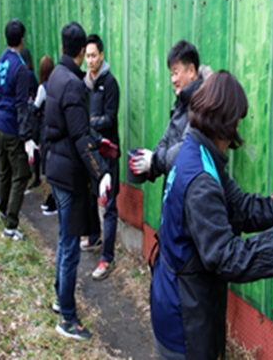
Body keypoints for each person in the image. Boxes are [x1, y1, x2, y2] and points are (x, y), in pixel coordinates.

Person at [150, 70, 273, 359]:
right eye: (237, 120)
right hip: (184, 316)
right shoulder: (200, 178)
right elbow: (225, 255)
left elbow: (238, 206)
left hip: (179, 299)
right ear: (225, 122)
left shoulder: (198, 153)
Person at [44, 21, 111, 340]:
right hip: (68, 173)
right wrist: (101, 171)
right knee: (70, 246)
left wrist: (97, 140)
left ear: (62, 47)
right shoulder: (72, 83)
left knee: (63, 238)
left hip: (55, 168)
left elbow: (76, 128)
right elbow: (79, 135)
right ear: (82, 52)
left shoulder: (55, 76)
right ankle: (68, 319)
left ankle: (60, 298)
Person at [129, 40, 204, 181]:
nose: (173, 80)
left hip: (189, 186)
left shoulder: (202, 104)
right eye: (171, 74)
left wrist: (154, 161)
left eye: (176, 73)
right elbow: (166, 139)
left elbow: (185, 148)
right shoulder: (181, 101)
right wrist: (151, 159)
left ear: (191, 71)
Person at [81, 34, 121, 281]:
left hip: (108, 152)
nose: (90, 60)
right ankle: (94, 237)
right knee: (90, 195)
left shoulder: (110, 83)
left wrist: (90, 124)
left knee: (110, 204)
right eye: (87, 55)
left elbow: (110, 118)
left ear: (102, 56)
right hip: (90, 150)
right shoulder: (83, 83)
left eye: (94, 55)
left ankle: (107, 257)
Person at [0, 19, 35, 241]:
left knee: (4, 170)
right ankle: (11, 224)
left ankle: (2, 208)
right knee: (21, 174)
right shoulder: (20, 67)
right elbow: (21, 104)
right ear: (22, 39)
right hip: (11, 125)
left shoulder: (1, 60)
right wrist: (26, 136)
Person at [32, 55, 57, 216]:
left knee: (48, 169)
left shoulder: (43, 88)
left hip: (45, 130)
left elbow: (35, 106)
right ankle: (51, 200)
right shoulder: (56, 85)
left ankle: (52, 201)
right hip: (56, 129)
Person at [21, 47, 41, 191]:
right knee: (34, 145)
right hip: (33, 114)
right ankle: (37, 176)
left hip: (25, 114)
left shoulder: (22, 74)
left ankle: (30, 175)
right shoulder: (32, 75)